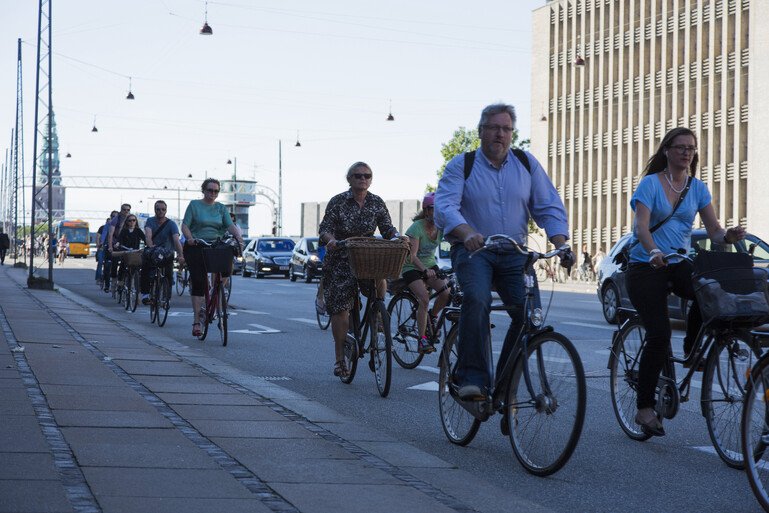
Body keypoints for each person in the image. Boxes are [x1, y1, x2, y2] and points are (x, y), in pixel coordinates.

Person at [434, 103, 573, 402]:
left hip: (514, 252)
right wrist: (467, 232)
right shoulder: (462, 164)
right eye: (494, 128)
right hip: (474, 252)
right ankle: (472, 376)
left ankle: (504, 385)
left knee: (529, 315)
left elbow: (547, 204)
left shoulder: (526, 163)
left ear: (512, 133)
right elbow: (445, 206)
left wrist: (562, 244)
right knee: (477, 298)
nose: (500, 134)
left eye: (506, 129)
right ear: (481, 131)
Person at [627, 127, 745, 437]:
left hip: (676, 262)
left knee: (709, 292)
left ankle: (693, 349)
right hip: (645, 266)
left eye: (691, 148)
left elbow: (714, 231)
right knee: (659, 333)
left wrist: (728, 237)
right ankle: (644, 409)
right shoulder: (650, 185)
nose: (687, 153)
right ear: (666, 150)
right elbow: (641, 228)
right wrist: (652, 251)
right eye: (680, 147)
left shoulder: (698, 189)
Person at [318, 161, 402, 378]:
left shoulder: (376, 202)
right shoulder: (338, 202)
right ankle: (339, 359)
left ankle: (377, 314)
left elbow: (387, 228)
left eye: (367, 175)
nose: (362, 179)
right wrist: (331, 241)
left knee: (379, 279)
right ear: (349, 179)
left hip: (366, 256)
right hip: (341, 258)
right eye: (357, 175)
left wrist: (395, 237)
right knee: (341, 309)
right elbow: (325, 229)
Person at [181, 178, 243, 337]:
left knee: (225, 271)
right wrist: (189, 238)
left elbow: (230, 226)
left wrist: (238, 238)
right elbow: (185, 225)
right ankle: (197, 320)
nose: (213, 194)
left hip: (216, 245)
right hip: (197, 244)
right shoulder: (194, 205)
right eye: (210, 190)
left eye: (216, 191)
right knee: (199, 281)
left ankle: (215, 292)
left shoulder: (221, 208)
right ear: (204, 190)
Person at [400, 192, 450, 354]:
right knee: (424, 298)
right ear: (426, 210)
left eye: (439, 209)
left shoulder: (441, 227)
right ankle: (422, 339)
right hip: (411, 267)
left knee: (446, 292)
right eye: (433, 209)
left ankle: (432, 317)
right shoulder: (417, 227)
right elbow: (412, 256)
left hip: (430, 264)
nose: (437, 213)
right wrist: (425, 271)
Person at [140, 200, 185, 305]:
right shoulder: (150, 221)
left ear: (166, 210)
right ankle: (145, 295)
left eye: (163, 209)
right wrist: (150, 245)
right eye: (158, 209)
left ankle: (167, 298)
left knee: (168, 275)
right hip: (153, 251)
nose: (160, 211)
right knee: (145, 270)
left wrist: (181, 255)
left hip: (167, 253)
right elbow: (148, 235)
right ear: (154, 210)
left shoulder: (171, 224)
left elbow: (176, 240)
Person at [106, 204, 132, 292]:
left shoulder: (131, 219)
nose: (126, 211)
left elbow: (137, 231)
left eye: (128, 210)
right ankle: (113, 281)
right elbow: (110, 234)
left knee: (130, 262)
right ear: (121, 210)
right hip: (116, 243)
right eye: (124, 210)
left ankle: (127, 280)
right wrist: (110, 247)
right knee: (115, 261)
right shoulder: (116, 219)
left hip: (127, 243)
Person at [115, 214, 146, 287]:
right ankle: (120, 281)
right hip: (126, 251)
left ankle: (138, 284)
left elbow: (145, 239)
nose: (132, 222)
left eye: (134, 220)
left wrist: (148, 244)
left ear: (136, 221)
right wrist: (117, 244)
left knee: (139, 266)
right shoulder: (124, 230)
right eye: (130, 220)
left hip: (135, 252)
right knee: (123, 264)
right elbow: (119, 239)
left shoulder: (138, 230)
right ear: (127, 222)